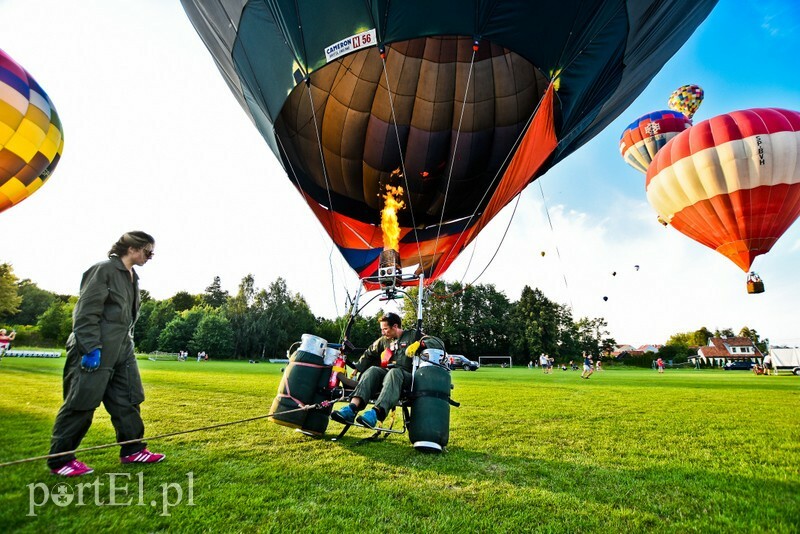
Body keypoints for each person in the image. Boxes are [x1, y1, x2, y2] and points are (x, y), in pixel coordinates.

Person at [47, 231, 165, 477]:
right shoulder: (103, 271)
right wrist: (90, 348)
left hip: (123, 351)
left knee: (128, 400)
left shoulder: (133, 277)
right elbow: (85, 313)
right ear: (132, 248)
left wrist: (126, 347)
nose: (150, 257)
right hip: (96, 349)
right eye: (148, 252)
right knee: (81, 402)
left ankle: (133, 450)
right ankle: (61, 460)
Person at [331, 312, 444, 429]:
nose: (383, 332)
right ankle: (352, 409)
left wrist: (420, 343)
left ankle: (375, 413)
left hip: (408, 378)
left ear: (395, 326)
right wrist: (357, 368)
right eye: (382, 329)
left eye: (385, 329)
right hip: (389, 375)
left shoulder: (413, 335)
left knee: (394, 373)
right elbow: (370, 352)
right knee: (373, 370)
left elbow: (439, 344)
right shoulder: (384, 340)